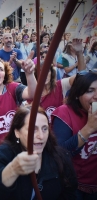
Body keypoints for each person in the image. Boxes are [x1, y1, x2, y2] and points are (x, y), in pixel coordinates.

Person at [0, 106, 78, 200]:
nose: (41, 136)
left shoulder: (60, 156)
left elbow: (70, 192)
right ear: (17, 132)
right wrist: (12, 170)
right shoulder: (0, 156)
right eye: (33, 129)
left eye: (45, 129)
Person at [52, 70, 97, 199]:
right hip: (73, 186)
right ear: (77, 94)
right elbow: (59, 154)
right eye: (90, 90)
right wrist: (89, 128)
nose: (96, 96)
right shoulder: (64, 113)